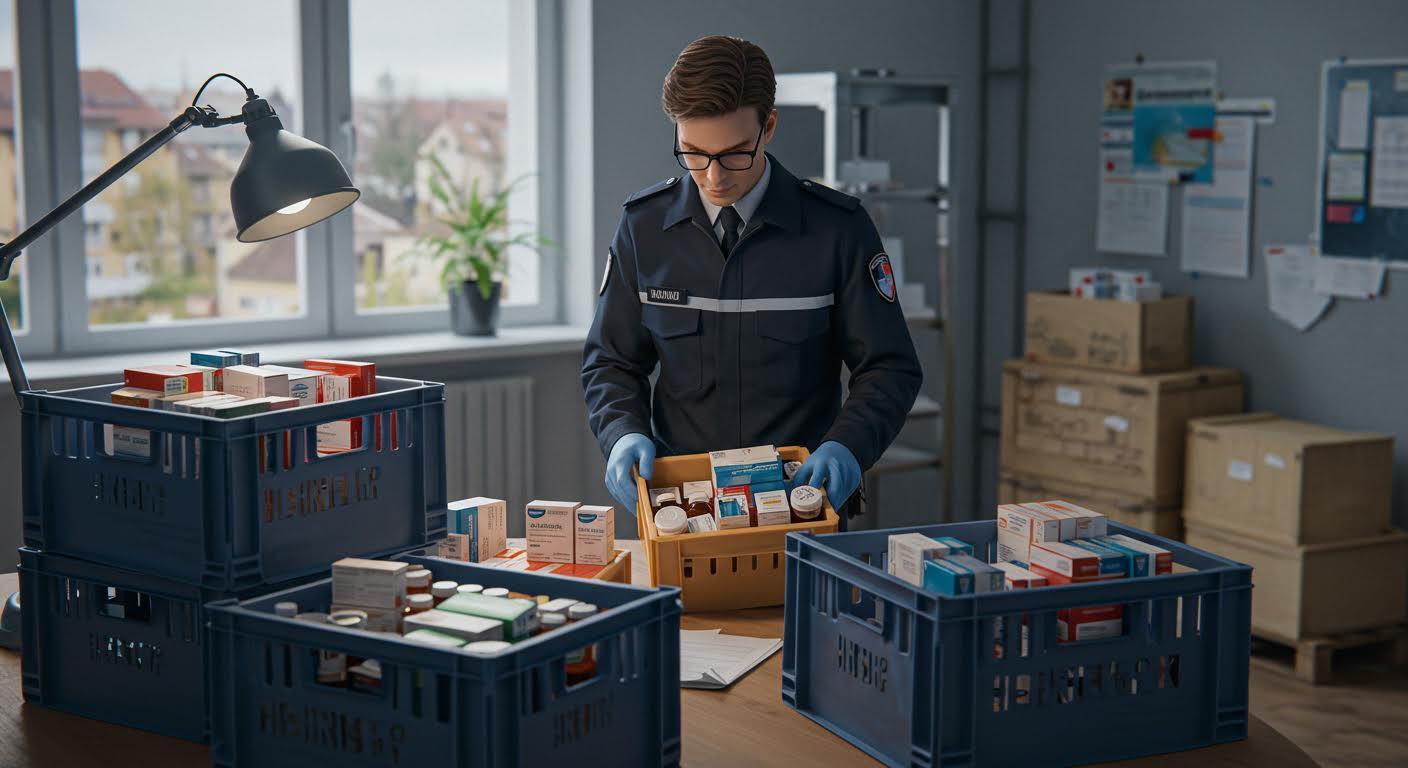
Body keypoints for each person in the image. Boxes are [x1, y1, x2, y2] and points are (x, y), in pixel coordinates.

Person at [581, 34, 921, 521]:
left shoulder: (837, 229)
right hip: (683, 512)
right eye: (693, 153)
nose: (714, 176)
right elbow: (611, 361)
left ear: (770, 126)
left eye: (735, 153)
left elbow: (889, 367)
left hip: (802, 504)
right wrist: (622, 433)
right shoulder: (643, 228)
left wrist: (848, 446)